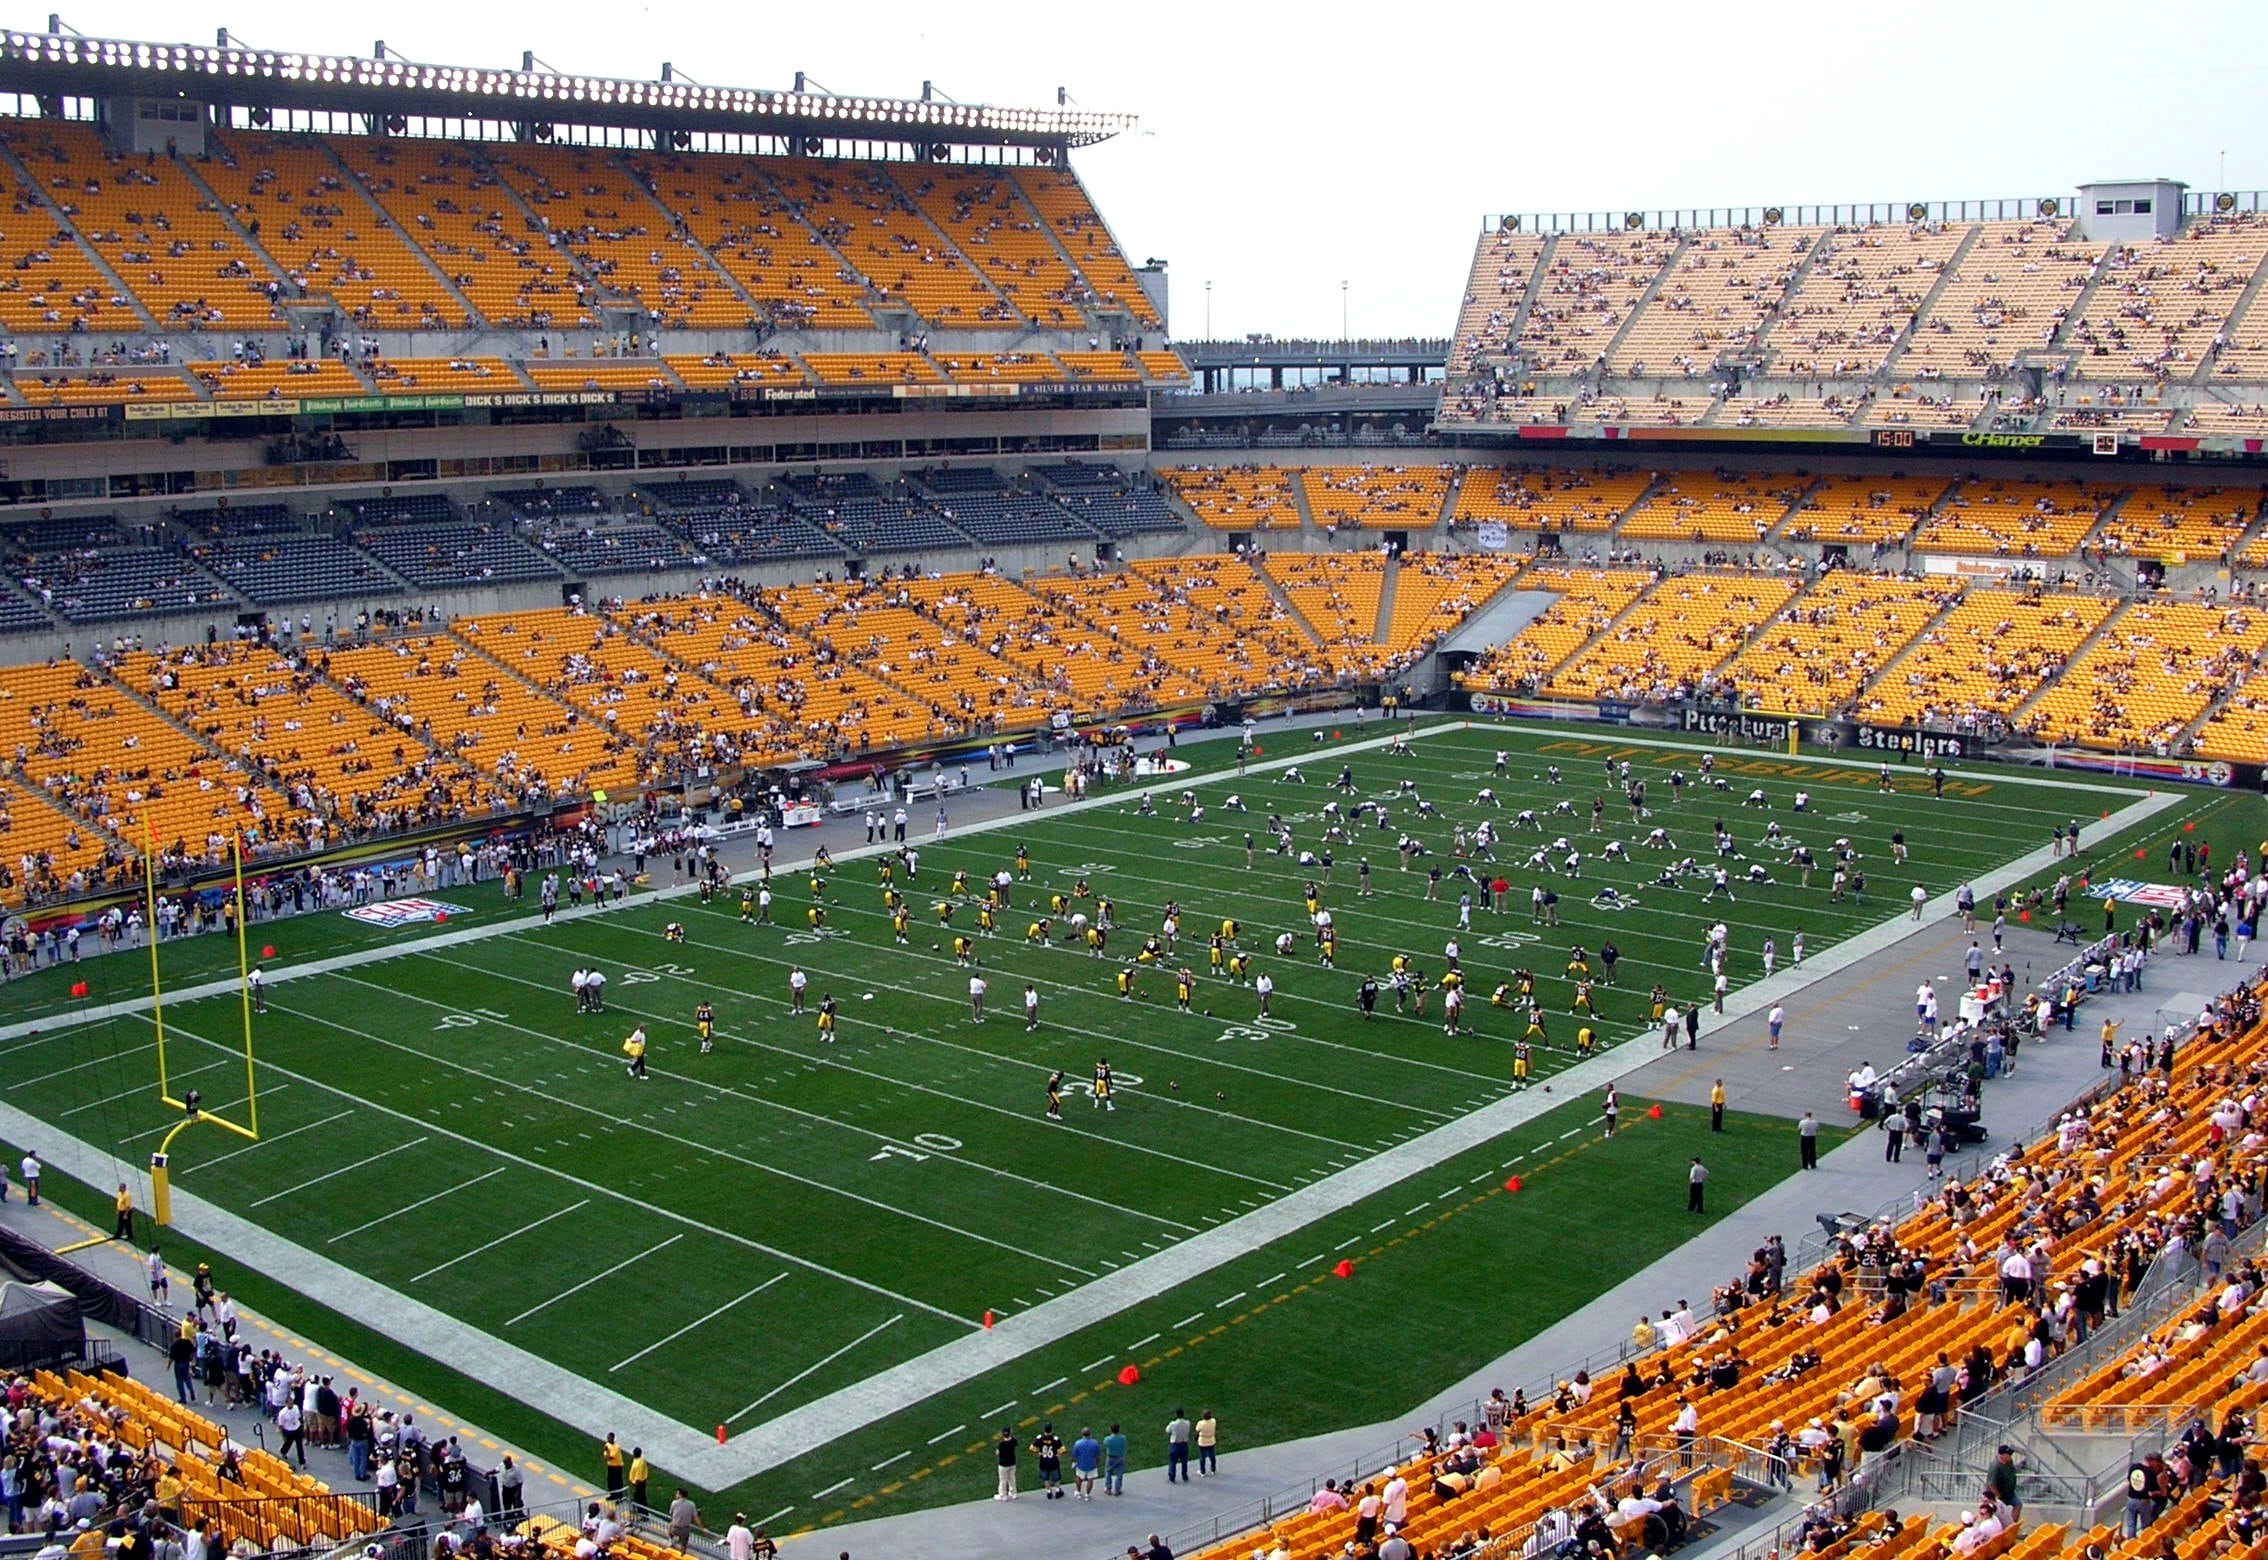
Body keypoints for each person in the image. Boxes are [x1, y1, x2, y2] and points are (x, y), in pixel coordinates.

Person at [1165, 1408, 1193, 1482]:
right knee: (1184, 1462)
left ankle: (1172, 1476)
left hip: (1175, 1445)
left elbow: (1167, 1430)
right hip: (1184, 1444)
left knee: (1172, 1462)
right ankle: (1184, 1476)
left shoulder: (1173, 1424)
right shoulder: (1187, 1423)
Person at [994, 1425, 1019, 1501]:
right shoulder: (1013, 1441)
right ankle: (1014, 1493)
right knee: (1012, 1478)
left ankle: (1003, 1495)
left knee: (1003, 1480)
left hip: (1003, 1464)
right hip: (1012, 1462)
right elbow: (1016, 1444)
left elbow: (997, 1453)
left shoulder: (1001, 1444)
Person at [1103, 1423, 1129, 1497]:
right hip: (1120, 1457)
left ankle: (1108, 1489)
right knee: (1119, 1474)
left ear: (1110, 1430)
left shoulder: (1108, 1439)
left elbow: (1104, 1444)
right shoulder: (1123, 1438)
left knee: (1108, 1472)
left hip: (1111, 1458)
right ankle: (1117, 1491)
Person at [1195, 1408, 1219, 1476]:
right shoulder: (1213, 1421)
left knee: (1202, 1457)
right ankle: (1213, 1469)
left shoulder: (1200, 1423)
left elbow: (1197, 1430)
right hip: (1211, 1440)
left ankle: (1202, 1471)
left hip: (1202, 1442)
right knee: (1212, 1456)